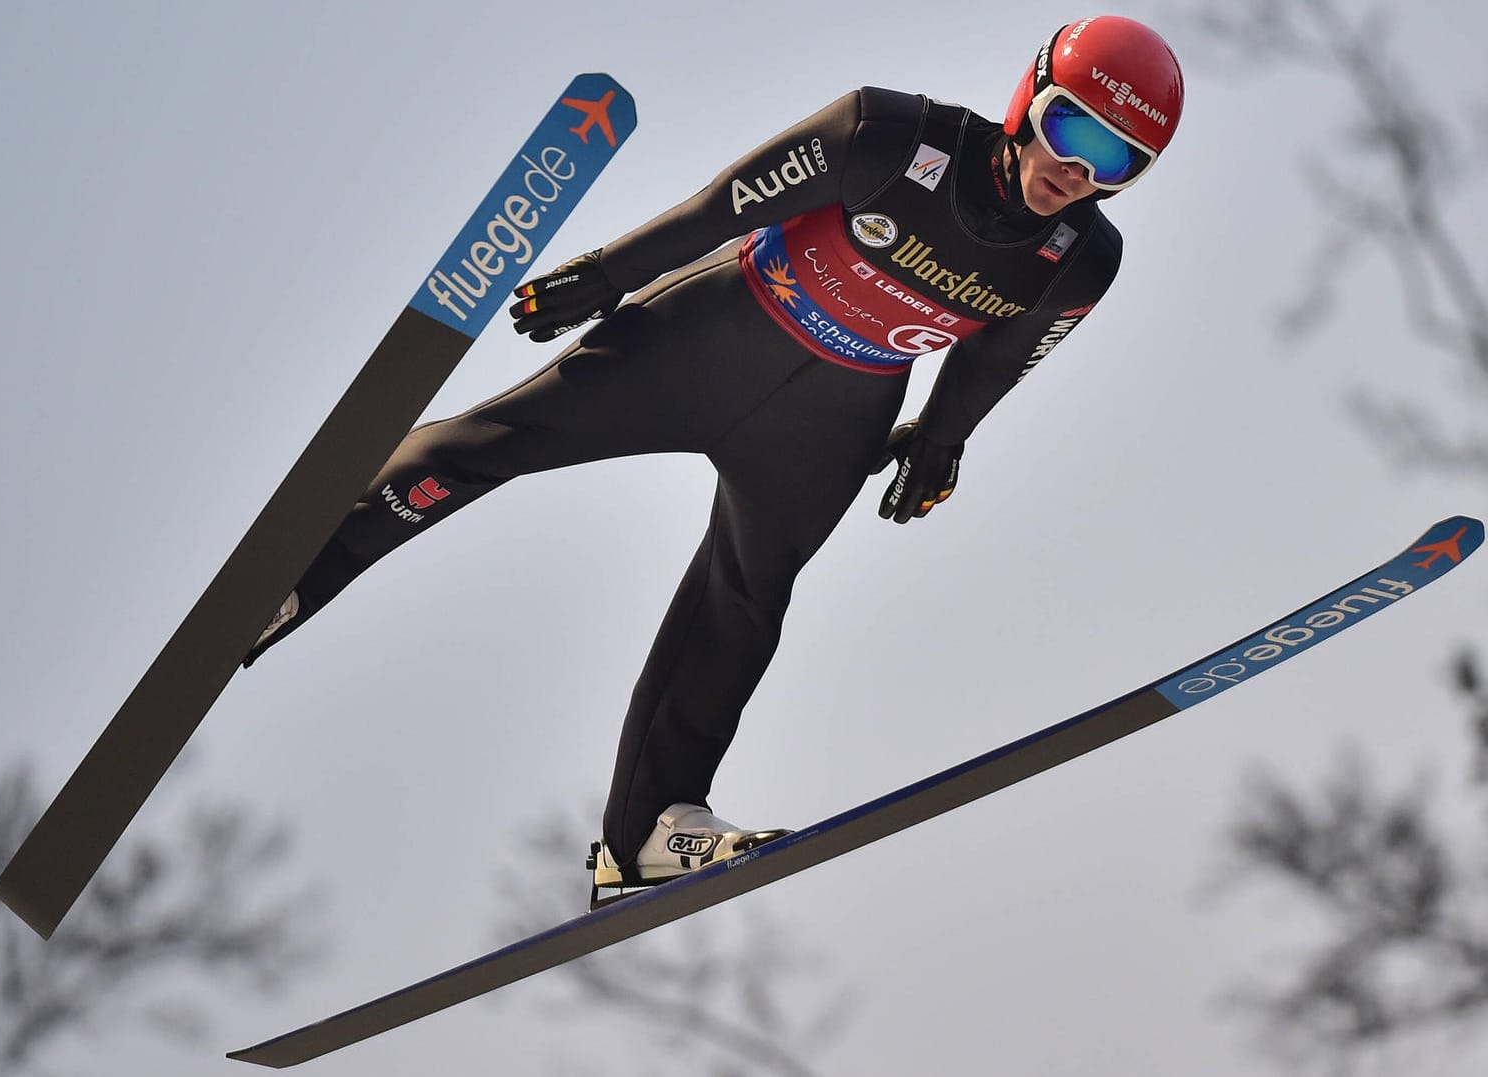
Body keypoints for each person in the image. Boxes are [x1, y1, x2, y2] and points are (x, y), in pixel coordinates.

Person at [244, 15, 1186, 900]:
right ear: (1029, 96)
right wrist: (608, 274)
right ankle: (292, 577)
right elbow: (719, 205)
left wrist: (940, 444)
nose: (1075, 168)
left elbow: (994, 360)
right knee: (503, 441)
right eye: (1070, 129)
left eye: (1115, 160)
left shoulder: (1077, 259)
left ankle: (648, 829)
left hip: (832, 416)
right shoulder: (887, 135)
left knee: (746, 597)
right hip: (711, 336)